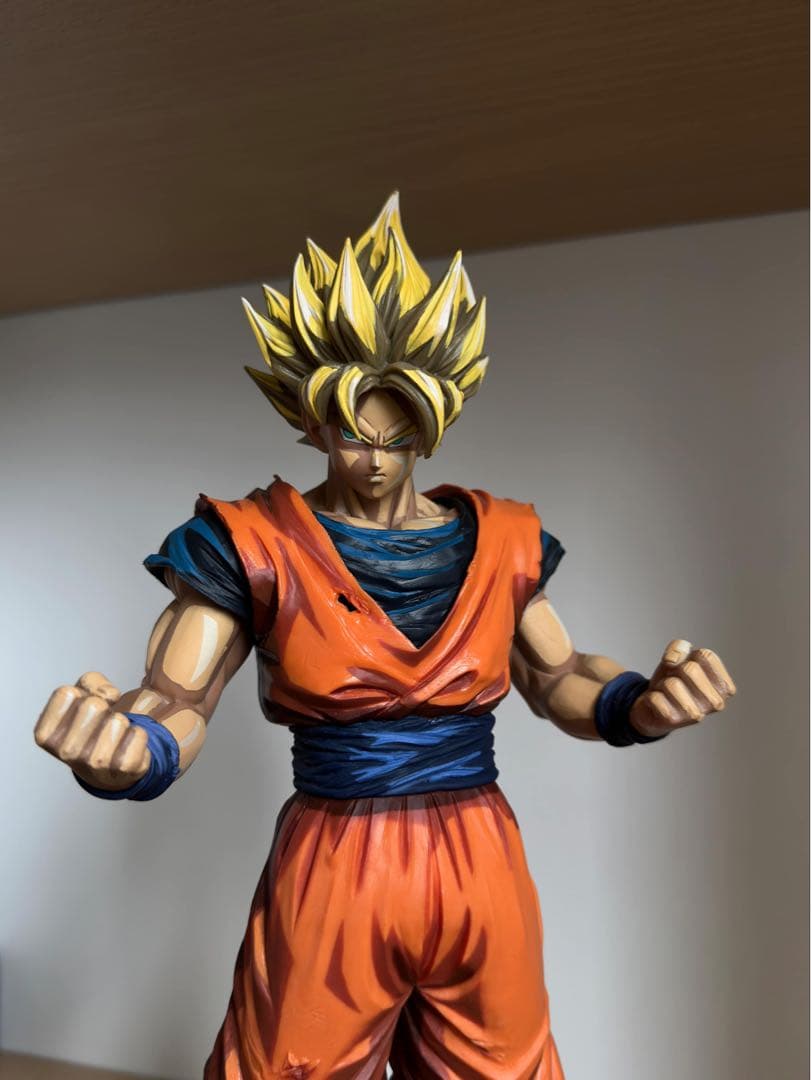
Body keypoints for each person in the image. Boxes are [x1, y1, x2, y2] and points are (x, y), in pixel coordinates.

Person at [34, 194, 735, 1079]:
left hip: (480, 857)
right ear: (310, 419)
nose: (371, 460)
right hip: (335, 861)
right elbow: (178, 697)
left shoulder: (504, 540)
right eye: (349, 435)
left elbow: (558, 675)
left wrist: (639, 705)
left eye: (396, 436)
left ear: (432, 424)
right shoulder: (249, 543)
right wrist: (130, 752)